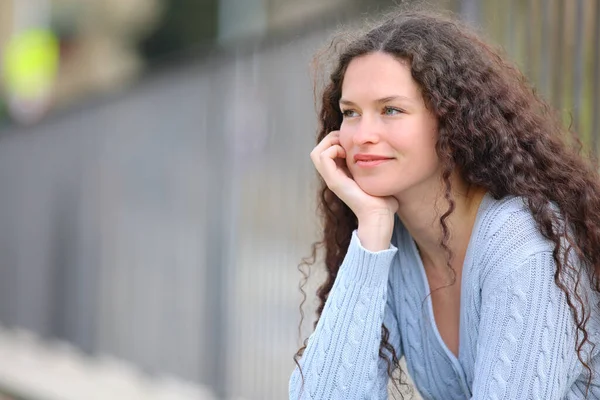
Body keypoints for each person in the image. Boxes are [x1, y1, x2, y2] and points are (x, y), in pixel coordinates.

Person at [289, 9, 600, 400]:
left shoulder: (524, 246)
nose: (362, 135)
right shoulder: (393, 242)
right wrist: (370, 231)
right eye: (351, 113)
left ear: (453, 119)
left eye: (391, 110)